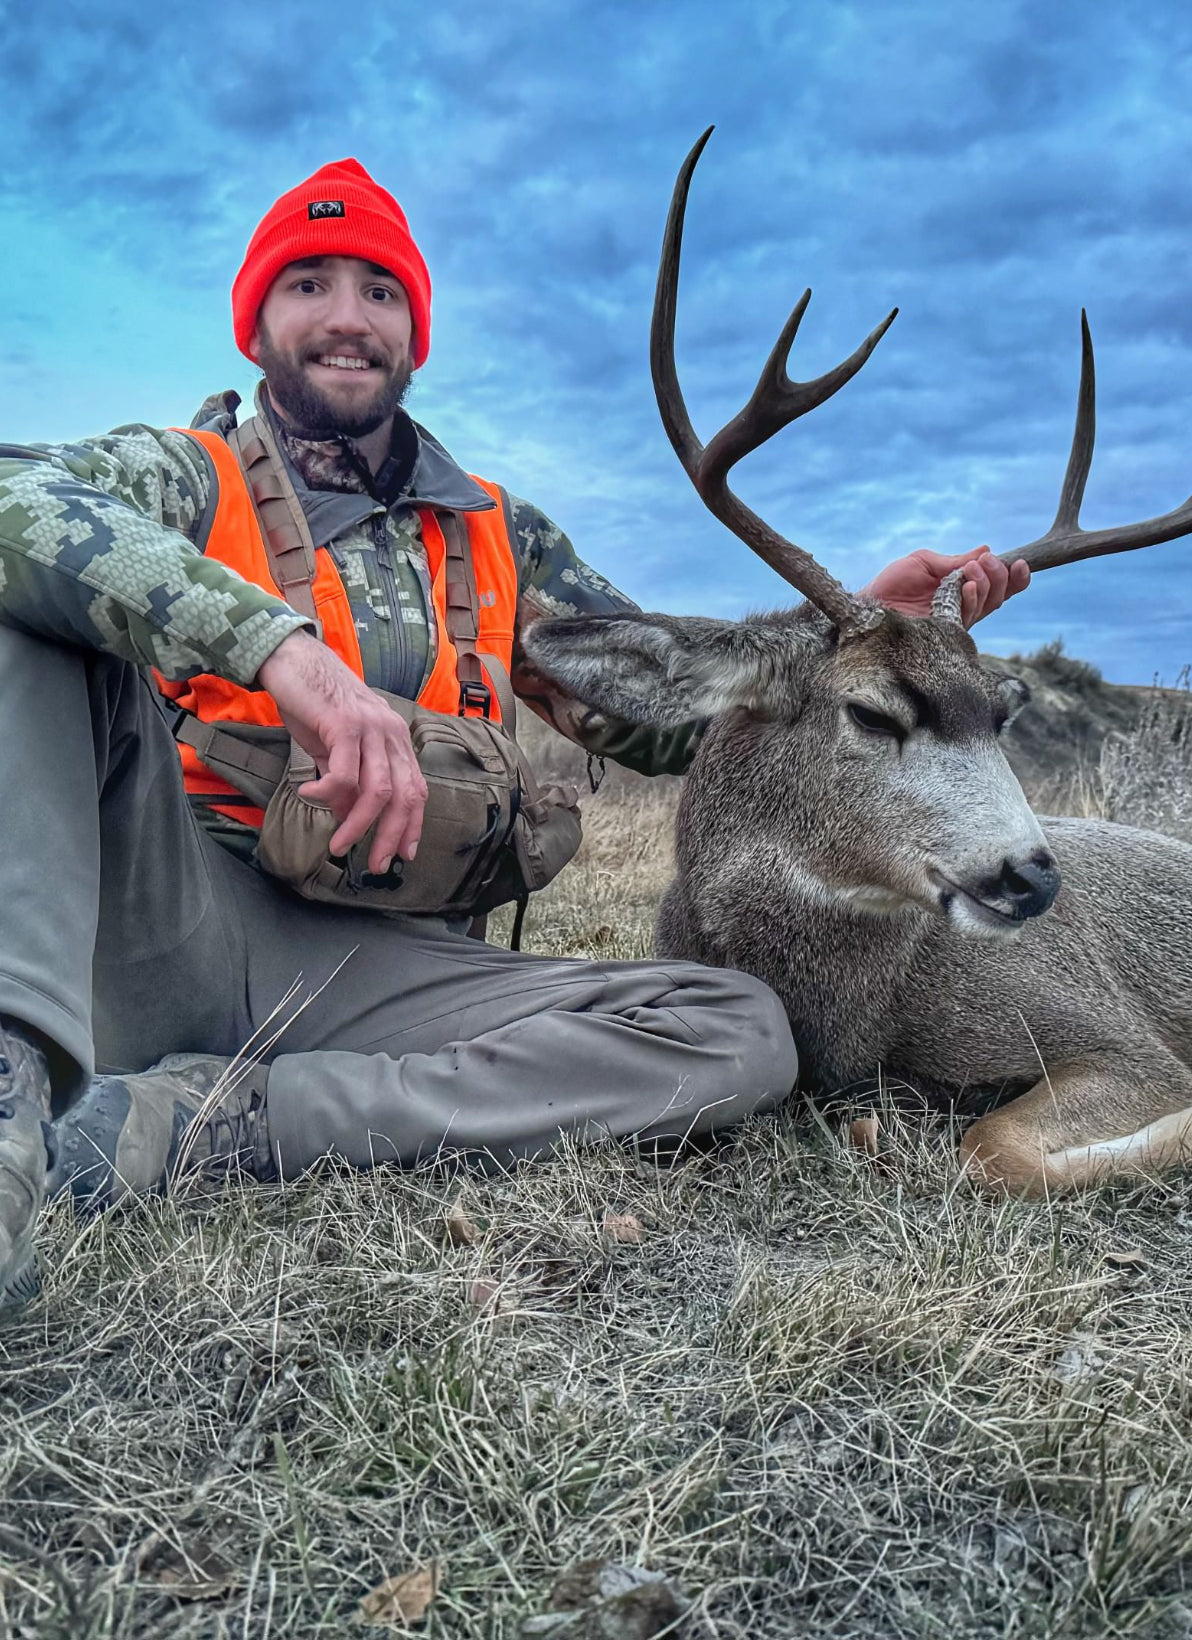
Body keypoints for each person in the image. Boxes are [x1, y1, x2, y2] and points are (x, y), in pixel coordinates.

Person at [0, 158, 1029, 1311]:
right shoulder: (182, 477)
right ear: (259, 321)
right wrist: (285, 654)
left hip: (390, 963)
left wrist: (849, 639)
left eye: (380, 292)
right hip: (166, 915)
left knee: (737, 1029)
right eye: (309, 284)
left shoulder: (494, 533)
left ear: (414, 330)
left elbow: (677, 711)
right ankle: (10, 1103)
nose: (347, 317)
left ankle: (195, 1123)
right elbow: (12, 498)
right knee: (24, 614)